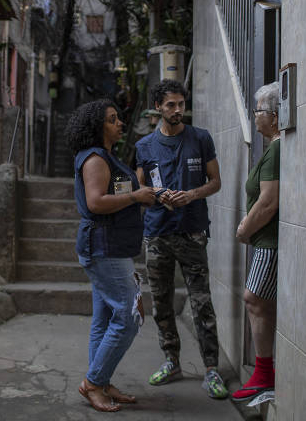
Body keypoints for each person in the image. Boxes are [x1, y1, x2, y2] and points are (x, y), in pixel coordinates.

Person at [135, 80, 228, 399]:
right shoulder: (144, 146)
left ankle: (212, 369)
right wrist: (159, 195)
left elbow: (215, 182)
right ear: (158, 107)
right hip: (158, 234)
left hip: (192, 230)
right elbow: (140, 191)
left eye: (180, 104)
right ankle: (171, 361)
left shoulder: (200, 138)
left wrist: (192, 194)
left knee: (201, 302)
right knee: (161, 302)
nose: (177, 110)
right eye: (170, 105)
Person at [66, 99, 157, 413]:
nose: (120, 123)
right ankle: (93, 383)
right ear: (97, 127)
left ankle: (101, 382)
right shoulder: (95, 159)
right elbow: (96, 202)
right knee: (130, 317)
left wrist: (145, 196)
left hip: (111, 246)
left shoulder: (105, 157)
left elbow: (115, 197)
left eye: (118, 118)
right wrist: (136, 195)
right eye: (112, 119)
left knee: (105, 319)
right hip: (105, 249)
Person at [232, 82, 281, 402]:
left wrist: (244, 230)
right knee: (257, 302)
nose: (255, 115)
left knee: (253, 299)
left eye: (260, 110)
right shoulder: (273, 147)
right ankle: (263, 373)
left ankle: (264, 375)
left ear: (275, 117)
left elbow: (268, 202)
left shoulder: (277, 149)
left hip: (268, 241)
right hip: (263, 239)